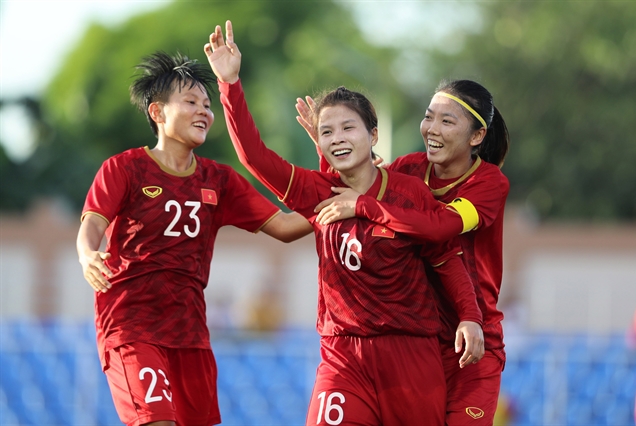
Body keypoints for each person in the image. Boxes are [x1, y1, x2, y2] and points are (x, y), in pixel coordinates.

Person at [205, 20, 484, 425]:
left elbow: (446, 258)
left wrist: (470, 316)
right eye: (326, 132)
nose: (337, 138)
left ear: (372, 135)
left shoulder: (410, 194)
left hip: (410, 356)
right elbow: (255, 156)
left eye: (348, 127)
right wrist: (229, 83)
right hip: (343, 356)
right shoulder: (317, 191)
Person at [76, 50, 313, 426]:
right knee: (157, 421)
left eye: (207, 104)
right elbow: (92, 222)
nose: (204, 111)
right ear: (157, 112)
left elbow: (284, 228)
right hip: (132, 325)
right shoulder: (125, 167)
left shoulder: (219, 179)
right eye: (190, 102)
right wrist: (87, 254)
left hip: (190, 333)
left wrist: (348, 199)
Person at [297, 78, 510, 424]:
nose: (432, 129)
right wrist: (332, 150)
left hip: (471, 343)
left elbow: (438, 227)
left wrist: (366, 205)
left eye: (447, 121)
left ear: (477, 136)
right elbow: (346, 193)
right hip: (418, 342)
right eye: (429, 117)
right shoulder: (407, 169)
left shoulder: (489, 183)